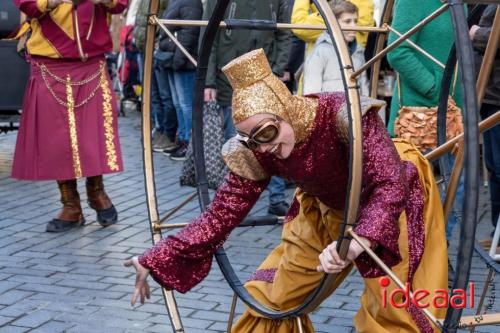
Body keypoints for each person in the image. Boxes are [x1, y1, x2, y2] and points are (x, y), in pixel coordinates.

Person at [125, 49, 448, 333]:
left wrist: (358, 241)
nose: (264, 148)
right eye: (252, 140)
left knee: (395, 306)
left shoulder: (344, 115)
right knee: (275, 293)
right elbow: (222, 213)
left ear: (286, 110)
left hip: (396, 201)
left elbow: (389, 183)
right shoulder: (257, 151)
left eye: (267, 131)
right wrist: (155, 257)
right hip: (325, 206)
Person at [12, 0, 127, 232]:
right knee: (57, 140)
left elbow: (119, 4)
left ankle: (96, 191)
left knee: (93, 135)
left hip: (92, 62)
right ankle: (70, 204)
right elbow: (27, 4)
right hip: (50, 62)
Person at [202, 0, 293, 216]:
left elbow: (284, 32)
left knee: (275, 135)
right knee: (238, 144)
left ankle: (277, 197)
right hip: (230, 78)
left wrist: (279, 68)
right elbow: (209, 37)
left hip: (266, 75)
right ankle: (235, 203)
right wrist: (208, 81)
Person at [470, 5, 500, 248]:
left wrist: (477, 34)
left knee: (499, 167)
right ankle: (498, 231)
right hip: (490, 94)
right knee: (493, 166)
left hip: (497, 95)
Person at [159, 0, 203, 161]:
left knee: (186, 105)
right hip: (172, 59)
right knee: (178, 103)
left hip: (183, 62)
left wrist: (178, 60)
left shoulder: (191, 3)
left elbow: (188, 35)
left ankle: (191, 144)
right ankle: (183, 139)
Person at [134, 0, 177, 153]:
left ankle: (166, 132)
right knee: (151, 93)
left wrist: (158, 41)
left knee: (163, 95)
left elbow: (163, 17)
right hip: (142, 45)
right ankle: (156, 128)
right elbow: (140, 18)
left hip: (155, 47)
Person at [303, 0, 369, 96]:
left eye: (355, 21)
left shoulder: (358, 51)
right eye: (347, 21)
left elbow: (364, 90)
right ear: (332, 23)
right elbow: (311, 94)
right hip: (330, 110)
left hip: (356, 110)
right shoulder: (320, 52)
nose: (354, 26)